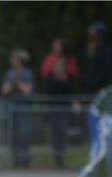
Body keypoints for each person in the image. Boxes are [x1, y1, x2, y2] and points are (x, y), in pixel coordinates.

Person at [40, 38, 80, 168]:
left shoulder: (69, 66)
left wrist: (64, 79)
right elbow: (47, 86)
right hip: (53, 106)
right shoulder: (51, 72)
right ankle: (55, 154)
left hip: (64, 106)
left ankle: (61, 154)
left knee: (63, 130)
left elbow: (72, 88)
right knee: (54, 130)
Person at [2, 49, 35, 167]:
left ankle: (25, 158)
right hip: (11, 108)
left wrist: (18, 82)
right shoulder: (9, 73)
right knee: (13, 134)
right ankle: (16, 159)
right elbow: (4, 90)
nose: (12, 61)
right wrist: (13, 82)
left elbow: (28, 91)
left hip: (23, 108)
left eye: (14, 59)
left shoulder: (28, 73)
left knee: (24, 133)